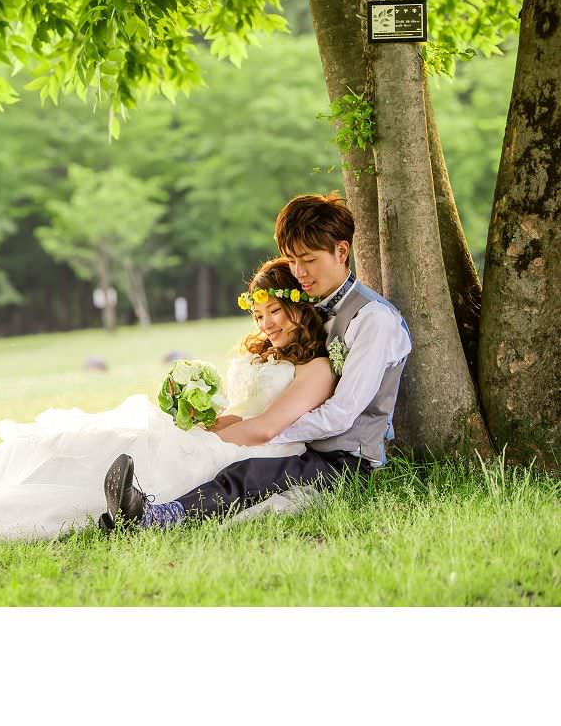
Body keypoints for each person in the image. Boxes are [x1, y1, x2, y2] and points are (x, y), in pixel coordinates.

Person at [0, 258, 334, 544]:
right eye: (258, 316)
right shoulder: (265, 352)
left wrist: (214, 434)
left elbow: (266, 427)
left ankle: (125, 503)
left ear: (299, 305)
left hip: (262, 448)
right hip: (233, 431)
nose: (266, 324)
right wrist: (202, 415)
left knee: (137, 447)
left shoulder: (316, 368)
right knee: (94, 435)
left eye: (274, 311)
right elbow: (240, 409)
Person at [102, 191, 412, 531]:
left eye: (308, 260)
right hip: (303, 444)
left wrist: (266, 431)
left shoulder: (374, 319)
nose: (299, 272)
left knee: (248, 473)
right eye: (292, 261)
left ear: (341, 251)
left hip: (345, 460)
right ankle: (133, 505)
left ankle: (156, 519)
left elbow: (342, 414)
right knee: (226, 459)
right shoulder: (312, 309)